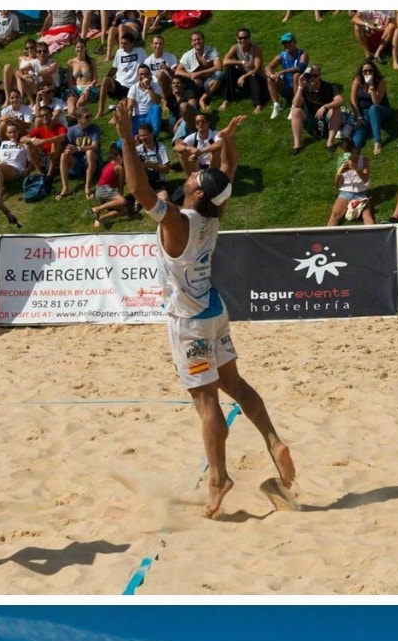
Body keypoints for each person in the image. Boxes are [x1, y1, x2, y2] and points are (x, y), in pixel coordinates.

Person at [113, 96, 296, 518]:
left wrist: (125, 137)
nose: (194, 173)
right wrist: (226, 143)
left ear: (196, 193)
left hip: (190, 322)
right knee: (236, 384)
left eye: (196, 176)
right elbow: (226, 173)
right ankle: (272, 439)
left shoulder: (177, 221)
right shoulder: (214, 212)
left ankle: (218, 477)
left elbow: (139, 189)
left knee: (206, 402)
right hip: (214, 310)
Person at [289, 64, 341, 156]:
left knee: (336, 109)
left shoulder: (328, 87)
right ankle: (297, 144)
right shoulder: (304, 87)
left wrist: (325, 107)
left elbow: (340, 100)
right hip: (312, 121)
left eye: (315, 76)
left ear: (320, 75)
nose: (312, 78)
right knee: (296, 111)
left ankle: (330, 142)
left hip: (325, 120)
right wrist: (300, 86)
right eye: (309, 76)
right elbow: (296, 104)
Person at [328, 132, 373, 224]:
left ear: (354, 149)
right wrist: (339, 174)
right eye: (344, 151)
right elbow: (337, 185)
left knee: (367, 215)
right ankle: (328, 237)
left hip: (361, 194)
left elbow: (365, 179)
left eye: (349, 151)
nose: (347, 154)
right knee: (335, 215)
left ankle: (373, 237)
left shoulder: (364, 160)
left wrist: (356, 168)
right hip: (345, 193)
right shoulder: (341, 160)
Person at [58, 103, 101, 198]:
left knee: (89, 152)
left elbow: (95, 147)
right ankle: (65, 188)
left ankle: (87, 187)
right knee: (63, 155)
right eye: (87, 116)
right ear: (79, 119)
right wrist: (68, 150)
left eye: (90, 115)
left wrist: (78, 148)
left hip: (93, 163)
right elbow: (68, 146)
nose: (90, 117)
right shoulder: (71, 130)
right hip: (78, 163)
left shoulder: (95, 128)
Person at [221, 27, 267, 113]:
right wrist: (241, 62)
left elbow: (257, 69)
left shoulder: (256, 50)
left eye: (245, 38)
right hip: (245, 79)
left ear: (249, 38)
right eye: (240, 38)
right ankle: (227, 99)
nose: (243, 40)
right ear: (237, 39)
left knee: (254, 76)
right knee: (229, 70)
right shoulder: (235, 48)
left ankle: (258, 105)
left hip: (257, 78)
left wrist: (243, 76)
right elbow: (224, 62)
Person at [175, 29, 223, 111]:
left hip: (211, 80)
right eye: (194, 40)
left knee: (219, 74)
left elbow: (218, 67)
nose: (197, 42)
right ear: (191, 43)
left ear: (203, 40)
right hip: (197, 84)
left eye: (199, 39)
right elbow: (177, 71)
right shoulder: (188, 55)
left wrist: (199, 73)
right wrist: (191, 75)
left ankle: (203, 98)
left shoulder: (211, 51)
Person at [350, 57, 391, 154]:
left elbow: (376, 103)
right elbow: (353, 100)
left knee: (373, 108)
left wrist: (371, 85)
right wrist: (359, 116)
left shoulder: (379, 82)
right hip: (364, 113)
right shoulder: (357, 81)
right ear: (361, 72)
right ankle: (352, 152)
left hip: (381, 110)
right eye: (365, 71)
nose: (368, 73)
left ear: (374, 71)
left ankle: (377, 142)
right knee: (361, 131)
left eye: (370, 71)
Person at [100, 26, 146, 105]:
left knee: (124, 103)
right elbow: (114, 68)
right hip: (119, 84)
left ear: (132, 44)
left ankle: (122, 101)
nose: (123, 46)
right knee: (105, 80)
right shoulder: (119, 52)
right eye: (121, 43)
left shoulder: (139, 51)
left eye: (126, 44)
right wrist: (107, 79)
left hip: (132, 86)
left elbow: (147, 65)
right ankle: (100, 111)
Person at [88, 141, 130, 225]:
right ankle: (97, 209)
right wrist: (120, 199)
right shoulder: (119, 168)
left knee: (124, 210)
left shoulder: (107, 166)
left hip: (99, 191)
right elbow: (120, 185)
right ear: (119, 157)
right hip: (104, 189)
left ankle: (101, 218)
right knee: (122, 201)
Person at [266, 31, 307, 117]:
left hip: (301, 87)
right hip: (286, 86)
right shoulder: (282, 55)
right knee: (269, 79)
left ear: (295, 42)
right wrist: (272, 75)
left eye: (289, 42)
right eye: (285, 43)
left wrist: (283, 71)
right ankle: (276, 105)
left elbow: (301, 67)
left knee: (296, 75)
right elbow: (268, 67)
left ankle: (294, 106)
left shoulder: (302, 54)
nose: (287, 45)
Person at [22, 103, 68, 178]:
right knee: (29, 144)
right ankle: (41, 173)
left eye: (46, 114)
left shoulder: (60, 127)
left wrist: (43, 141)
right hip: (44, 157)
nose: (44, 117)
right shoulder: (39, 129)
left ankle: (50, 174)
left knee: (56, 143)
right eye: (42, 116)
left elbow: (63, 137)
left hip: (58, 158)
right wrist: (33, 139)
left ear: (51, 115)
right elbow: (22, 138)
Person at [173, 108, 221, 174]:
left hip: (214, 165)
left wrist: (200, 151)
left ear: (208, 123)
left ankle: (213, 176)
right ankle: (193, 177)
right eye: (197, 122)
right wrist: (188, 148)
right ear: (195, 125)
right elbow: (176, 147)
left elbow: (219, 144)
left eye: (203, 121)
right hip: (198, 166)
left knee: (215, 150)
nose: (200, 124)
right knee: (181, 152)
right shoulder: (193, 136)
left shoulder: (215, 134)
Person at [0, 118, 29, 199]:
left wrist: (27, 170)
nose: (12, 134)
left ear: (18, 132)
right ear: (6, 133)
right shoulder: (4, 143)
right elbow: (0, 159)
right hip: (2, 166)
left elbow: (31, 160)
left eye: (14, 132)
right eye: (9, 132)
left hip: (15, 168)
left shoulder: (24, 145)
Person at [133, 118, 170, 197]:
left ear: (152, 134)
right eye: (140, 136)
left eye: (145, 135)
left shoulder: (161, 148)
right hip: (143, 182)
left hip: (159, 182)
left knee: (164, 199)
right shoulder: (137, 149)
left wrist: (152, 165)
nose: (142, 138)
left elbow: (166, 170)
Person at [66, 37, 99, 121]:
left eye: (82, 47)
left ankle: (77, 117)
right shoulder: (71, 62)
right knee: (70, 100)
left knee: (79, 103)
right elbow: (69, 79)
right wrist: (71, 90)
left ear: (85, 48)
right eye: (77, 47)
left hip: (88, 87)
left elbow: (95, 79)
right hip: (76, 88)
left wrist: (89, 87)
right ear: (74, 48)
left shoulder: (91, 61)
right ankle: (71, 116)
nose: (79, 49)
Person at [127, 61, 163, 135]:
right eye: (141, 74)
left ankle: (154, 135)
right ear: (138, 75)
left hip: (151, 115)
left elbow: (157, 101)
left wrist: (148, 87)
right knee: (128, 138)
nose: (143, 76)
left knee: (156, 107)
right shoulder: (133, 88)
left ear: (150, 74)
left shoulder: (156, 86)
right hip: (138, 118)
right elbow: (130, 108)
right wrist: (128, 124)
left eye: (146, 74)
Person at [144, 31, 177, 99]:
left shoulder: (170, 57)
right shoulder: (147, 61)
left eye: (160, 44)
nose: (158, 46)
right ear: (151, 45)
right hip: (154, 85)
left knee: (160, 74)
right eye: (156, 43)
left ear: (163, 45)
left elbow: (176, 73)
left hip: (168, 83)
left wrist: (167, 68)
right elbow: (145, 75)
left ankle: (165, 99)